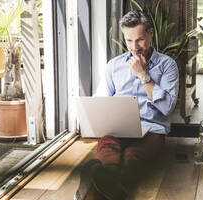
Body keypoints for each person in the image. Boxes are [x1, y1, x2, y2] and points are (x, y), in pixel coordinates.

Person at [74, 10, 179, 200]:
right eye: (129, 41)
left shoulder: (167, 65)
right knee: (108, 152)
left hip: (152, 129)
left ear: (150, 33)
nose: (134, 47)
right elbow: (101, 99)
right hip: (118, 128)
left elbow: (167, 108)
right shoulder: (114, 65)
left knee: (132, 157)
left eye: (139, 40)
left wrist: (142, 75)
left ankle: (93, 184)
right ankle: (110, 188)